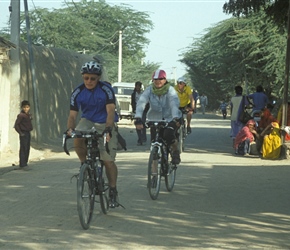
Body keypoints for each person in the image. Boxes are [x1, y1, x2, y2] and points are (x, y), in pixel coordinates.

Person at [66, 61, 120, 208]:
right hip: (88, 119)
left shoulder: (106, 90)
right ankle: (84, 165)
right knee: (77, 136)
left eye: (92, 78)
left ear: (98, 78)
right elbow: (72, 116)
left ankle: (113, 190)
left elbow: (110, 111)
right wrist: (70, 130)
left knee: (108, 161)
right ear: (83, 77)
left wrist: (108, 129)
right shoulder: (77, 92)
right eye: (86, 78)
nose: (89, 81)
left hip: (105, 121)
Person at [134, 69, 182, 164]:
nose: (158, 81)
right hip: (154, 118)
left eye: (161, 79)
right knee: (154, 144)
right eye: (155, 79)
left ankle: (175, 152)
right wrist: (138, 118)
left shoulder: (170, 90)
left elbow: (174, 104)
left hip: (170, 118)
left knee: (169, 135)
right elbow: (141, 103)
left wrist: (175, 117)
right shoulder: (149, 90)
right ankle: (154, 175)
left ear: (165, 80)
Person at [14, 100, 33, 170]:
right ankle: (22, 164)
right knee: (23, 148)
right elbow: (16, 125)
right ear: (22, 107)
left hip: (28, 132)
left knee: (27, 148)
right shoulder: (21, 115)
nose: (26, 109)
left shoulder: (28, 115)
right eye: (24, 107)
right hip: (23, 133)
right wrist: (21, 133)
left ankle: (25, 162)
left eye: (27, 107)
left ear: (29, 107)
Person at [131, 81, 148, 145]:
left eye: (139, 86)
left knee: (142, 124)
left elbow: (147, 102)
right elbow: (132, 102)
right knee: (138, 124)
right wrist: (134, 110)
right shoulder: (133, 94)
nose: (138, 87)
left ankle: (143, 138)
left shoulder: (143, 94)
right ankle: (140, 138)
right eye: (136, 86)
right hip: (137, 111)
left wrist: (146, 110)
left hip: (143, 111)